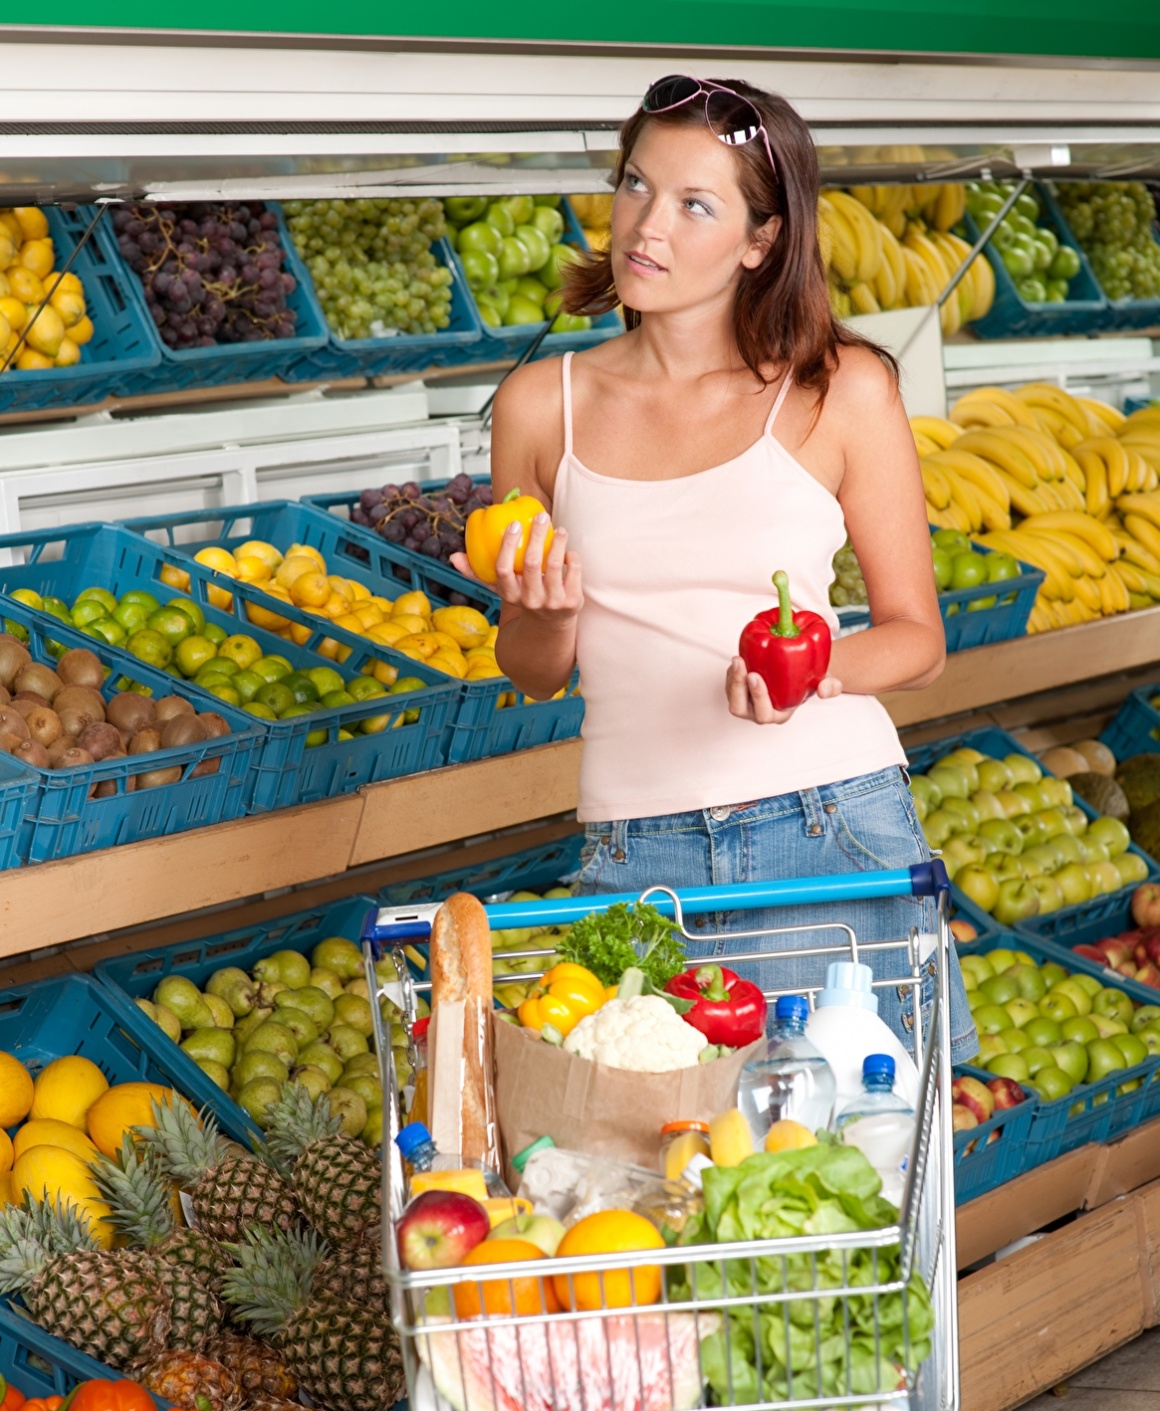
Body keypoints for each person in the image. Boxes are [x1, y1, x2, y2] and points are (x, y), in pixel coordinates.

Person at [453, 76, 976, 1063]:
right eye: (635, 186)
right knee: (639, 1185)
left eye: (695, 204)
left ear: (759, 239)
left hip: (823, 826)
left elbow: (916, 637)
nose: (647, 226)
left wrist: (808, 671)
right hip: (633, 851)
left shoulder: (839, 388)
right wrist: (548, 613)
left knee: (851, 1170)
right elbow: (530, 668)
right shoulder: (536, 404)